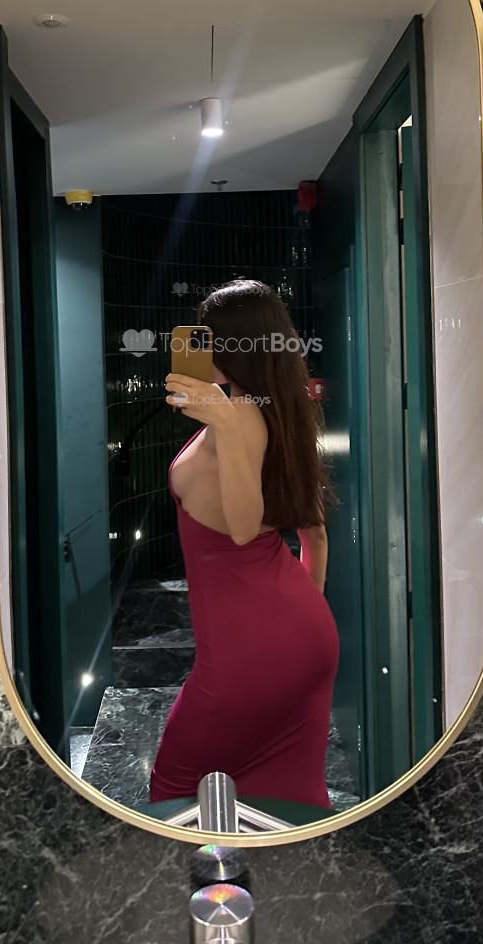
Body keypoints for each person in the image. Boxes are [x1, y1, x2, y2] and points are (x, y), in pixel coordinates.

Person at [149, 278, 340, 810]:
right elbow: (316, 536)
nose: (201, 349)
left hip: (246, 654)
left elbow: (241, 526)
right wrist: (299, 624)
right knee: (292, 799)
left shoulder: (238, 421)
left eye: (208, 338)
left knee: (173, 796)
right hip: (303, 636)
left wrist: (226, 426)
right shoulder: (277, 413)